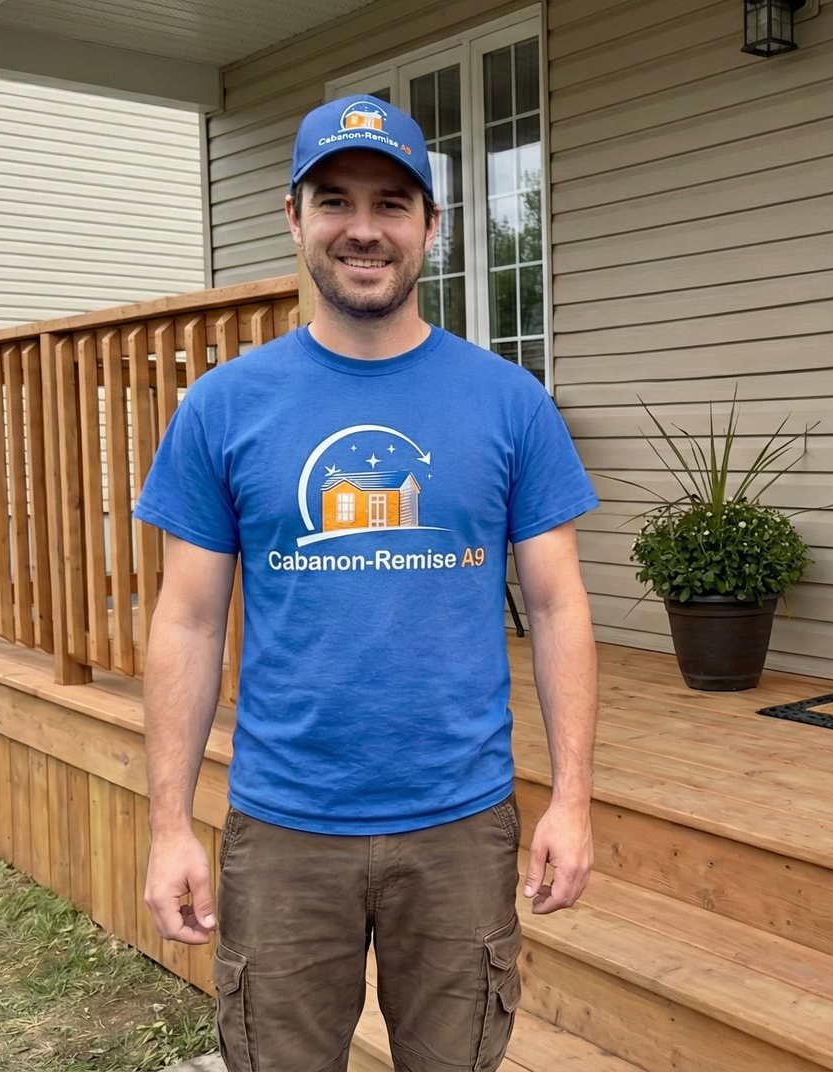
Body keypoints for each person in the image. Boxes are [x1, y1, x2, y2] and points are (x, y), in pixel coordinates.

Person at [136, 94, 600, 1072]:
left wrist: (574, 799)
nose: (363, 228)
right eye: (335, 200)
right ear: (294, 217)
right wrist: (169, 825)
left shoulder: (510, 403)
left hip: (461, 821)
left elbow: (559, 606)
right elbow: (187, 621)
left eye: (391, 203)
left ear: (431, 225)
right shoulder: (222, 408)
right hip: (285, 825)